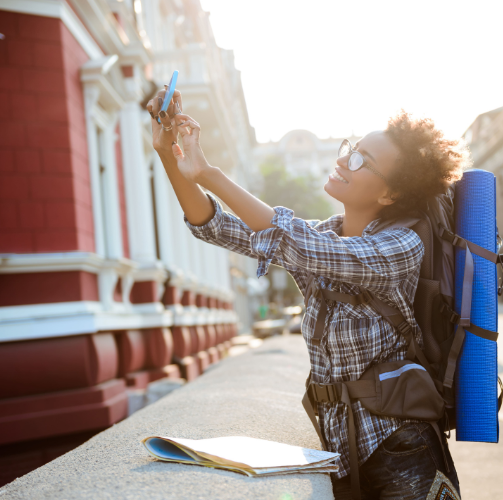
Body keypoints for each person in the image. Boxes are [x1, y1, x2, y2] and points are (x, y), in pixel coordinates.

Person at [147, 86, 468, 500]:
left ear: (390, 194)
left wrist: (208, 172)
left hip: (402, 448)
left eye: (361, 161)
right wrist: (168, 153)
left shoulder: (402, 246)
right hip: (341, 449)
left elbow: (295, 242)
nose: (342, 160)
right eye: (349, 148)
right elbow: (217, 226)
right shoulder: (324, 235)